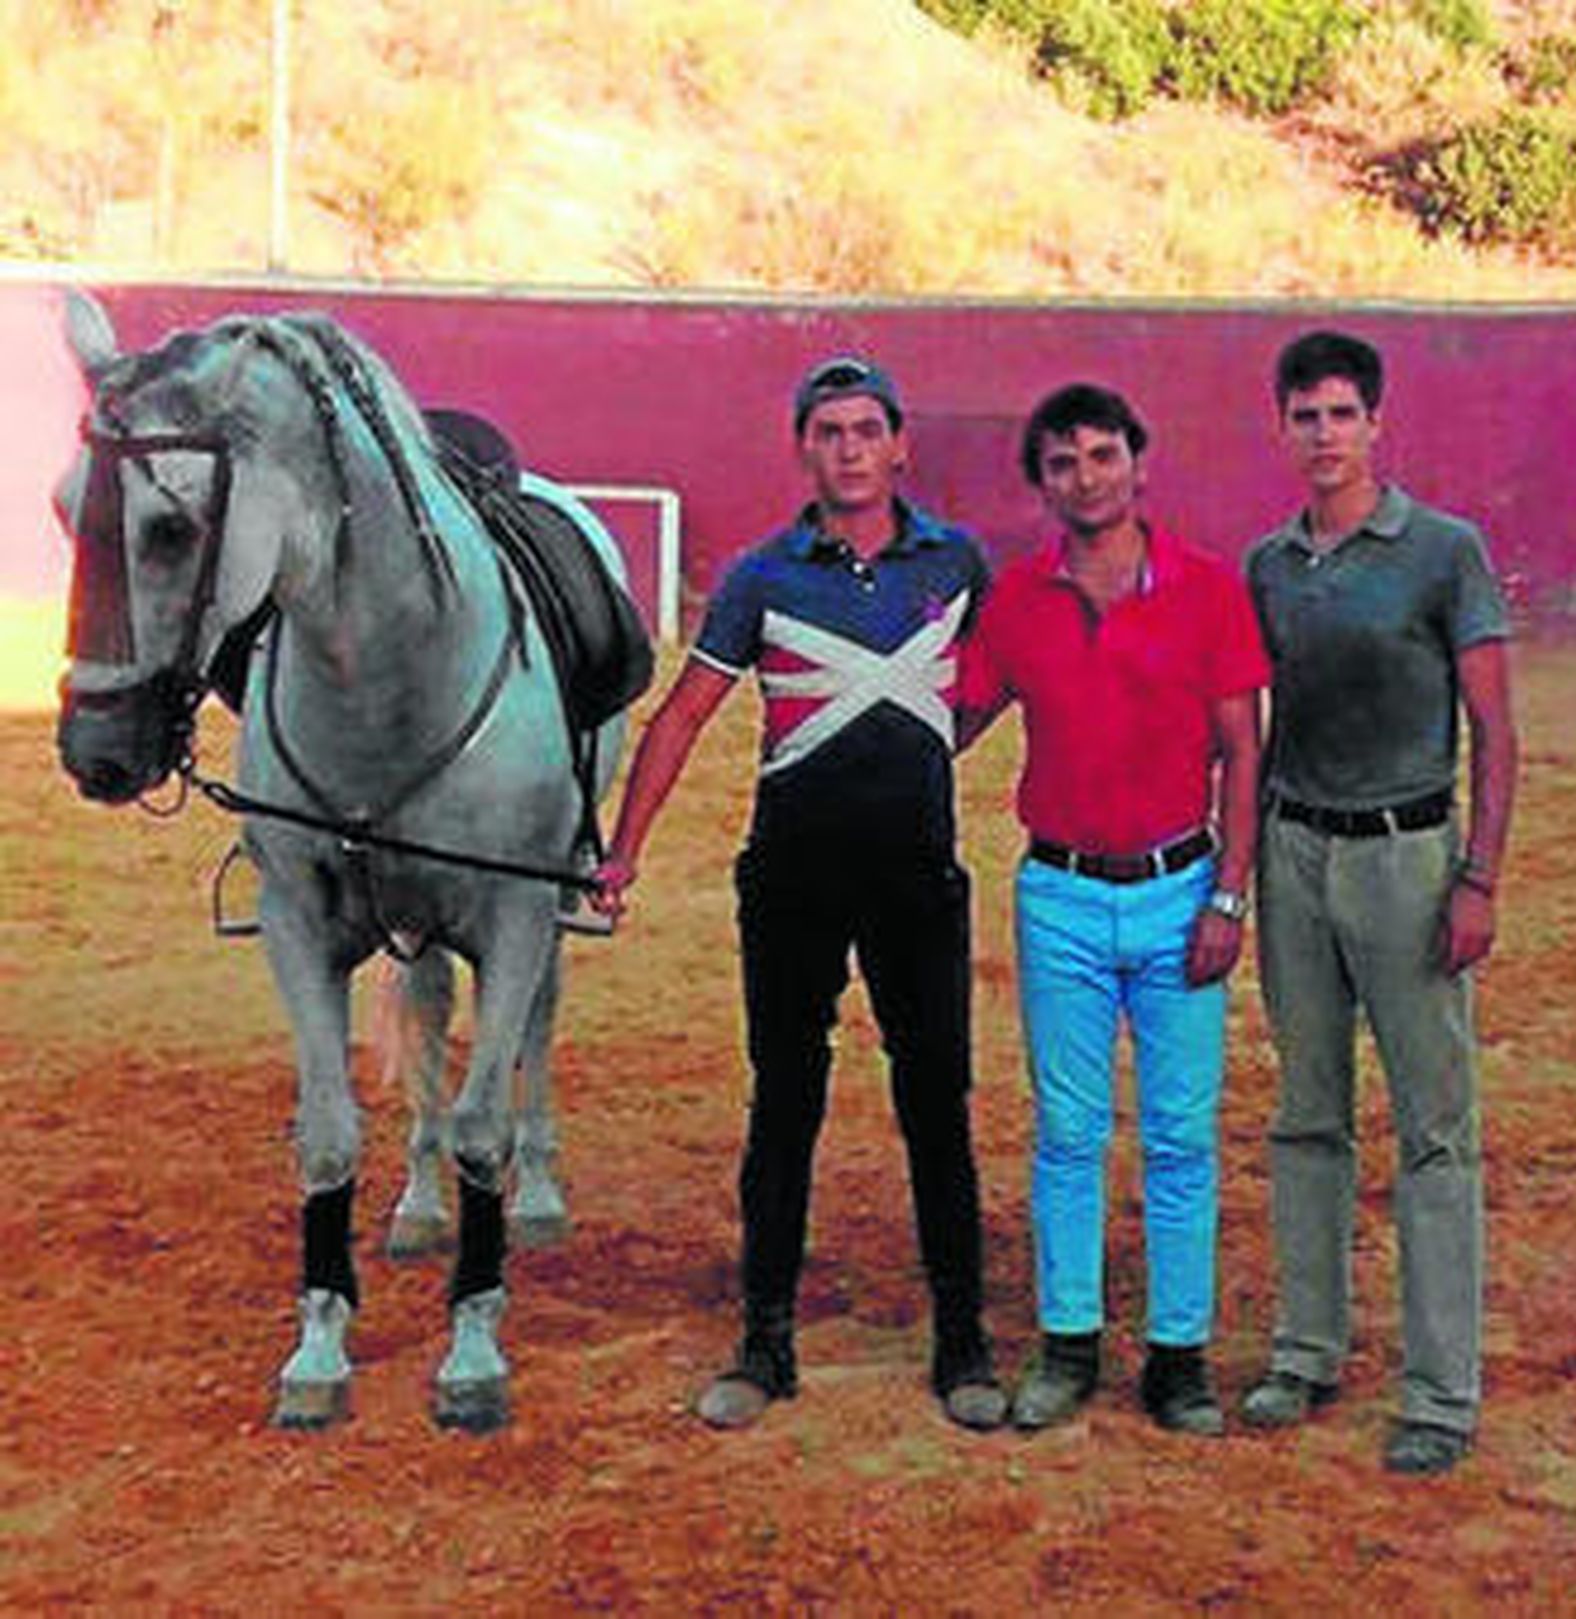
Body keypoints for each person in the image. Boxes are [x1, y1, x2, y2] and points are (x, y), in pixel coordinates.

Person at [592, 357, 1006, 1432]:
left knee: (934, 1104)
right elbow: (683, 712)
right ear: (804, 450)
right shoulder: (761, 576)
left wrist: (928, 740)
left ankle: (961, 1336)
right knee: (784, 1104)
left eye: (867, 429)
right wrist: (622, 849)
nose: (850, 448)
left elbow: (1010, 674)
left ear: (900, 444)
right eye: (828, 431)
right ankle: (764, 1338)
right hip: (791, 877)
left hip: (918, 876)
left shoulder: (957, 562)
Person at [957, 383, 1267, 1436]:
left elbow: (1241, 748)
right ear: (1040, 482)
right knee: (1069, 1130)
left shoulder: (1208, 587)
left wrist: (1229, 891)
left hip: (1182, 886)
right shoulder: (1014, 598)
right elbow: (949, 717)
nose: (1084, 477)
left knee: (1181, 1134)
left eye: (1100, 454)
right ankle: (1069, 1342)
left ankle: (1178, 1355)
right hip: (1060, 894)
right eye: (1061, 462)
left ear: (1138, 460)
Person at [1241, 330, 1518, 1476]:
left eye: (1340, 414)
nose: (1322, 435)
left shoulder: (1444, 551)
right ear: (1282, 426)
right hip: (1294, 851)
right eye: (1303, 415)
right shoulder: (1267, 565)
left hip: (1409, 855)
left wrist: (1479, 875)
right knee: (1307, 1111)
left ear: (1374, 424)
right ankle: (1307, 1347)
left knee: (1433, 1128)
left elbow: (1496, 729)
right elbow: (1241, 727)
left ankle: (1441, 1389)